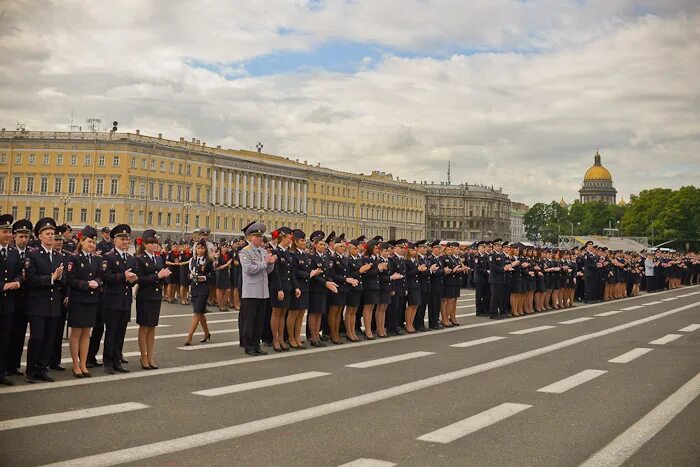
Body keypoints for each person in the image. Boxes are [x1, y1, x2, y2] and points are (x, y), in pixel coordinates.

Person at [24, 217, 64, 383]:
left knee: (49, 339)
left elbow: (62, 279)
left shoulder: (57, 255)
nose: (50, 237)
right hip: (37, 304)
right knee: (37, 337)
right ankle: (31, 370)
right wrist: (51, 278)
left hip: (53, 303)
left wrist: (59, 278)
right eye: (47, 234)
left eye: (52, 234)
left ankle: (42, 368)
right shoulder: (33, 254)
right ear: (39, 236)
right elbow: (31, 279)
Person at [66, 225, 103, 378]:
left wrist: (97, 282)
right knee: (76, 333)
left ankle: (83, 363)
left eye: (94, 242)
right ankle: (75, 364)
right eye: (89, 242)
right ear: (81, 242)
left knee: (87, 333)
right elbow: (70, 279)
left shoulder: (96, 259)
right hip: (78, 300)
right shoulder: (74, 258)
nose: (92, 245)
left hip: (91, 300)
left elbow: (100, 276)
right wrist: (86, 284)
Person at [102, 224, 138, 375]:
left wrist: (134, 279)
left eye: (127, 239)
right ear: (115, 240)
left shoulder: (130, 258)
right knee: (111, 332)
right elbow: (106, 277)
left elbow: (134, 278)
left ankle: (117, 360)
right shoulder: (108, 257)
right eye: (122, 239)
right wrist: (123, 276)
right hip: (112, 300)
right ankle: (108, 362)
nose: (125, 242)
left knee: (121, 332)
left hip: (125, 300)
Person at [135, 229, 171, 369]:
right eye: (151, 242)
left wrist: (163, 278)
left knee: (152, 327)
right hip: (145, 295)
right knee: (144, 326)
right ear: (144, 244)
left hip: (155, 296)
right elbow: (140, 279)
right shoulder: (140, 259)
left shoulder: (159, 258)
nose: (154, 245)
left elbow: (161, 276)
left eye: (155, 242)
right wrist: (158, 276)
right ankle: (143, 356)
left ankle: (150, 355)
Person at [239, 222, 276, 356]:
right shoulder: (245, 252)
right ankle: (248, 346)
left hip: (263, 291)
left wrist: (271, 263)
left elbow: (268, 270)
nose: (260, 239)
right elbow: (249, 269)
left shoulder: (263, 251)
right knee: (250, 321)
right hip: (251, 292)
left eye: (261, 236)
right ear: (249, 237)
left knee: (259, 321)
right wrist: (265, 262)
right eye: (257, 236)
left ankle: (256, 344)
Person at [6, 219, 32, 377]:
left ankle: (14, 365)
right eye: (21, 236)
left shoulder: (32, 253)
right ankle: (6, 365)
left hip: (26, 300)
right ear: (14, 236)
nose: (24, 239)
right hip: (10, 298)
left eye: (26, 237)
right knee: (7, 334)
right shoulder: (9, 252)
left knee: (20, 334)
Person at [268, 227, 300, 351]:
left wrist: (296, 286)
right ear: (283, 238)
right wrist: (279, 289)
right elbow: (275, 273)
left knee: (283, 314)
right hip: (278, 287)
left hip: (287, 287)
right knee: (276, 313)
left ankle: (281, 338)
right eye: (289, 237)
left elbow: (291, 272)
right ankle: (275, 339)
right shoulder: (276, 252)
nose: (291, 239)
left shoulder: (288, 253)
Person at [0, 214, 23, 386]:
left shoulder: (14, 253)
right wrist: (3, 286)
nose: (8, 235)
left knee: (5, 339)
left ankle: (1, 373)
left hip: (8, 305)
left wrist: (17, 282)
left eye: (9, 231)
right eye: (4, 231)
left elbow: (18, 273)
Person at [307, 231, 338, 347]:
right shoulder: (311, 257)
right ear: (315, 245)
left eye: (323, 244)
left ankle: (317, 335)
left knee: (320, 313)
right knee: (314, 312)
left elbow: (328, 272)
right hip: (315, 288)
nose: (323, 246)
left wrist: (330, 281)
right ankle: (313, 337)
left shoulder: (325, 257)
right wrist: (325, 283)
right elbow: (314, 275)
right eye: (320, 244)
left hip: (323, 288)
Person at [288, 229, 315, 349]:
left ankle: (297, 336)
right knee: (294, 313)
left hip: (305, 286)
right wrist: (308, 275)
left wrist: (311, 273)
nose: (305, 242)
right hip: (297, 286)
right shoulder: (293, 254)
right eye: (302, 240)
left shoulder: (304, 254)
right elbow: (293, 272)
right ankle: (291, 337)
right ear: (296, 242)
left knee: (301, 313)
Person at [185, 239, 214, 345]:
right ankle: (207, 333)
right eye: (198, 248)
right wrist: (190, 276)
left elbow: (213, 276)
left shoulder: (208, 261)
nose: (200, 250)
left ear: (205, 249)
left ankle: (189, 336)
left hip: (203, 288)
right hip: (194, 288)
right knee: (200, 313)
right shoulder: (192, 260)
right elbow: (188, 274)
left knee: (197, 312)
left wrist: (204, 278)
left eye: (202, 248)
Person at [215, 243, 233, 311]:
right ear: (221, 247)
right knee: (220, 290)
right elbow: (217, 268)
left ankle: (223, 303)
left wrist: (228, 266)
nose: (225, 248)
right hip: (220, 273)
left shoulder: (227, 255)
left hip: (226, 273)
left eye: (226, 247)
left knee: (227, 290)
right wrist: (226, 264)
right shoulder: (218, 255)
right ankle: (220, 305)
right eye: (223, 247)